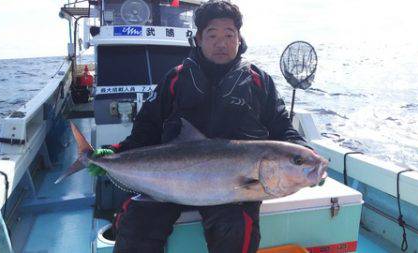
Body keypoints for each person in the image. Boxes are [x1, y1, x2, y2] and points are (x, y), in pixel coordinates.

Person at [90, 1, 310, 252]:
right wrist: (114, 152)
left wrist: (304, 156)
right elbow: (145, 130)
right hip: (168, 183)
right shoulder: (175, 79)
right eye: (212, 35)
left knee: (237, 232)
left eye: (229, 35)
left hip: (232, 192)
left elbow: (282, 126)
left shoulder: (258, 81)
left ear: (239, 38)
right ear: (198, 38)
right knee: (136, 224)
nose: (221, 43)